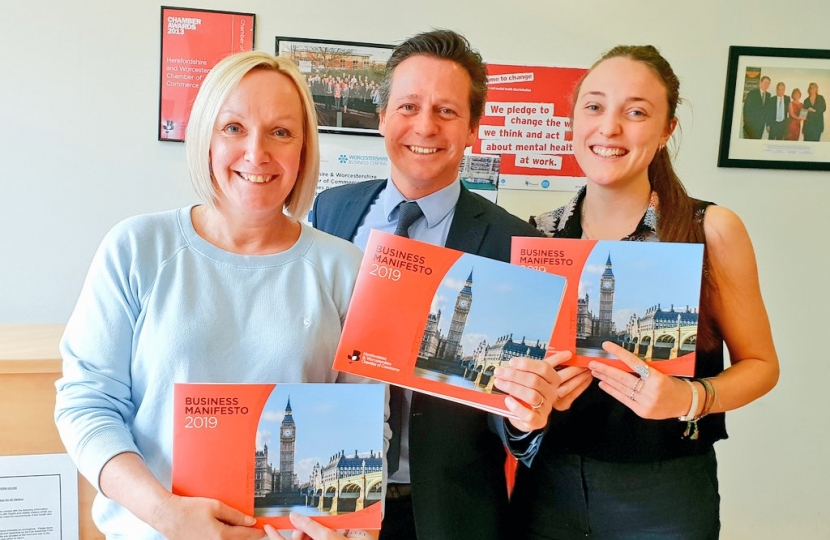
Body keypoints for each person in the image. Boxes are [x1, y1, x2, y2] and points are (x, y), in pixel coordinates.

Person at [54, 51, 382, 540]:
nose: (257, 152)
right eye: (233, 127)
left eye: (281, 132)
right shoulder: (137, 248)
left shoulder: (346, 270)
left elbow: (367, 423)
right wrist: (166, 514)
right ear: (205, 139)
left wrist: (355, 532)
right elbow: (86, 405)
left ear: (303, 151)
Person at [312, 29, 591, 540]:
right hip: (329, 503)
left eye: (446, 111)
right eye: (409, 106)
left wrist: (526, 411)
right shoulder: (328, 213)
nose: (424, 126)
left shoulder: (515, 243)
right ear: (381, 118)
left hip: (452, 509)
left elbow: (513, 407)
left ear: (472, 130)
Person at [514, 45, 779, 540]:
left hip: (664, 492)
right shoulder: (539, 237)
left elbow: (762, 366)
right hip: (547, 485)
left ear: (665, 131)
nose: (609, 128)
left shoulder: (708, 229)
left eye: (636, 112)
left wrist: (688, 396)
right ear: (573, 119)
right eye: (594, 106)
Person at [742, 75, 773, 139]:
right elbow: (746, 109)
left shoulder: (768, 95)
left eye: (768, 83)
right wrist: (747, 123)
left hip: (760, 126)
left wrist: (768, 124)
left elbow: (768, 111)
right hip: (750, 126)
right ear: (760, 83)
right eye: (765, 82)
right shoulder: (752, 93)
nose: (766, 84)